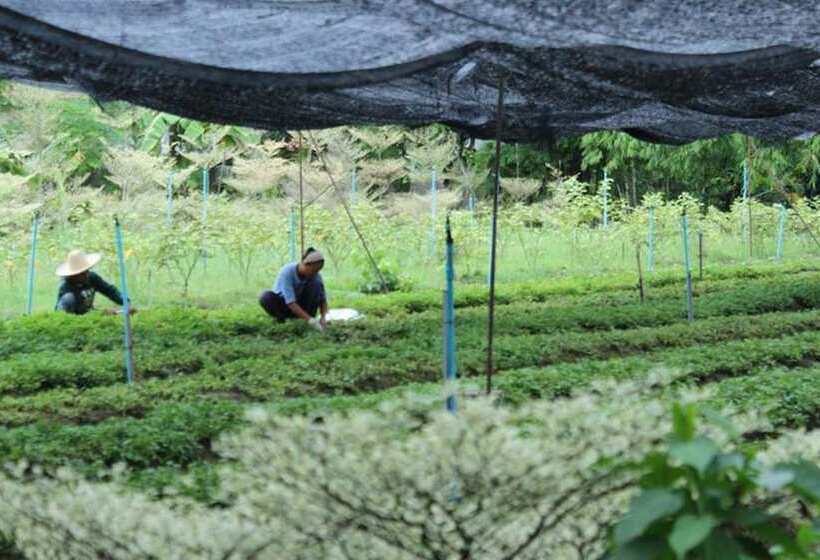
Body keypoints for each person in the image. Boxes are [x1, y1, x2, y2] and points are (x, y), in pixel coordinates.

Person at [259, 248, 328, 331]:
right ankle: (282, 320)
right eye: (313, 270)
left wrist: (323, 317)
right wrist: (311, 321)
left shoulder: (316, 277)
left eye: (318, 271)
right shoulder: (287, 272)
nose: (315, 273)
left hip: (303, 307)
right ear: (305, 265)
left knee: (315, 284)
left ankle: (305, 319)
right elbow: (290, 302)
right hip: (285, 306)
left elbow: (322, 299)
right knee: (265, 296)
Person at [55, 249, 133, 315]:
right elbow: (75, 314)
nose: (86, 274)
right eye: (82, 273)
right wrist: (102, 313)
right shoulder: (67, 291)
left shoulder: (91, 278)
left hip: (89, 313)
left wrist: (126, 302)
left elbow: (109, 290)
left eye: (86, 270)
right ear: (73, 275)